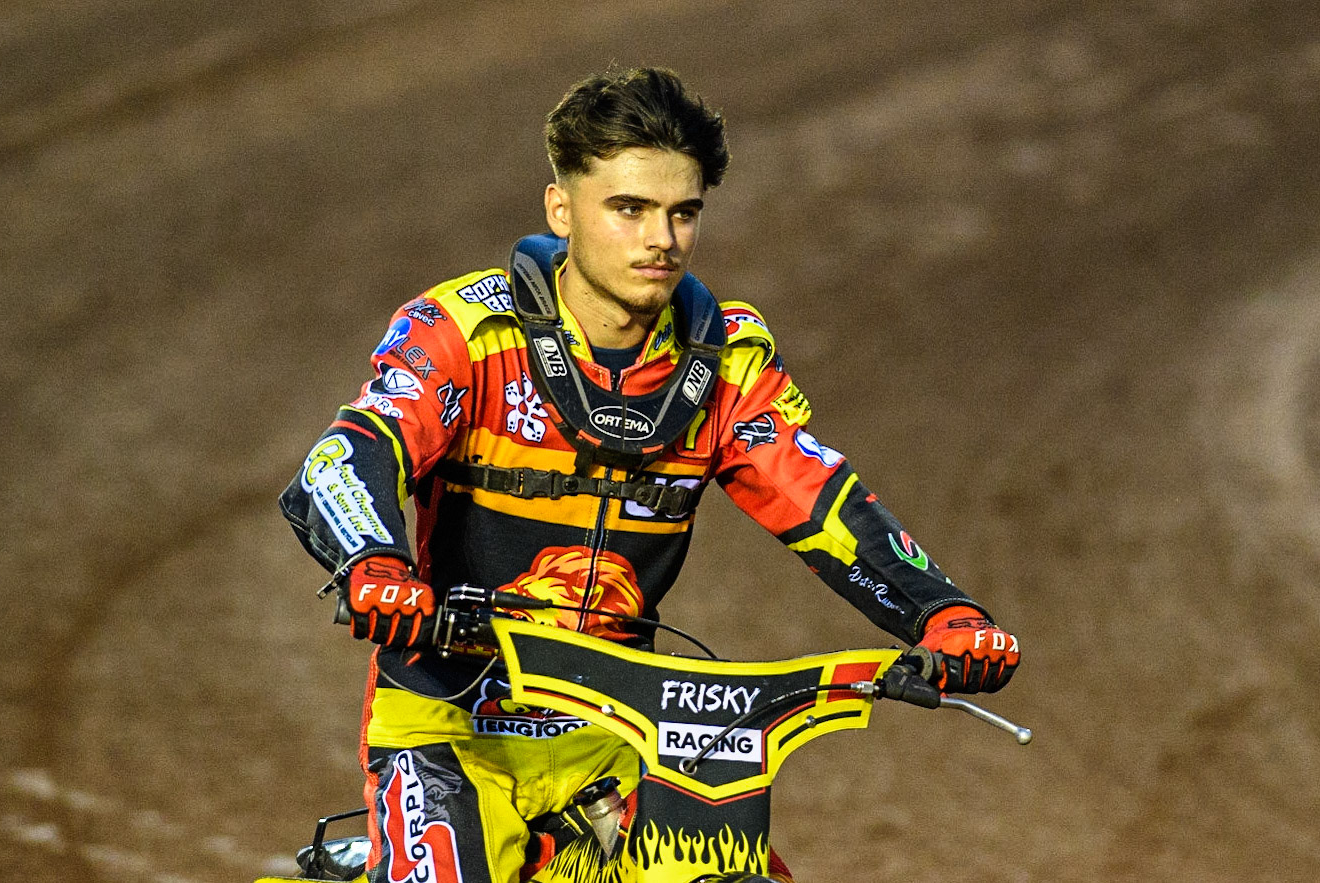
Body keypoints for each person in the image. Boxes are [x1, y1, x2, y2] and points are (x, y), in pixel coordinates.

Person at [280, 66, 1020, 883]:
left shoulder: (726, 362)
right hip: (447, 725)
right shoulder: (465, 330)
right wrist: (375, 566)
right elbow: (348, 454)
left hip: (623, 725)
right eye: (628, 209)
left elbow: (814, 491)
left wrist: (944, 612)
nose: (660, 239)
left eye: (683, 212)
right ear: (562, 210)